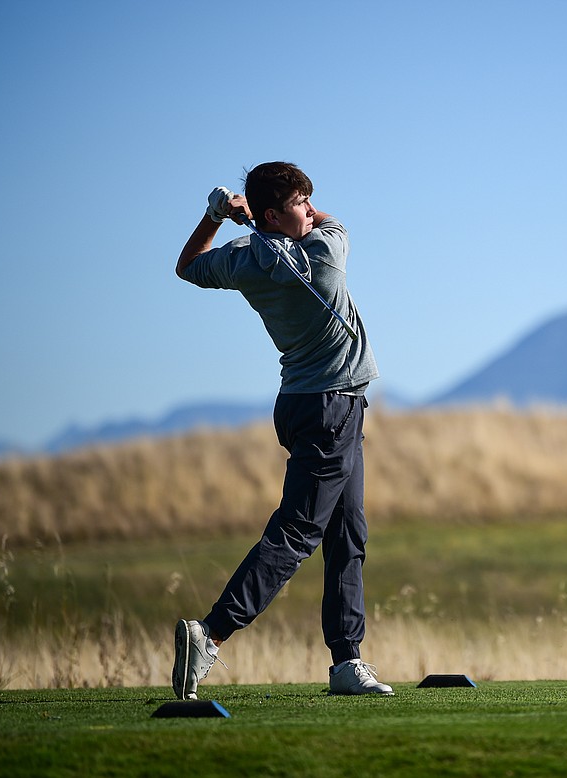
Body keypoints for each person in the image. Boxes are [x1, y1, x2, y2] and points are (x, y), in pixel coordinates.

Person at [171, 161, 392, 697]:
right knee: (298, 531)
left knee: (347, 533)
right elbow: (330, 224)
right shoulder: (326, 252)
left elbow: (188, 265)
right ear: (275, 213)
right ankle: (212, 633)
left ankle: (346, 661)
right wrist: (253, 218)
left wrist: (218, 216)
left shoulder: (245, 261)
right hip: (332, 409)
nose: (312, 210)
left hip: (300, 403)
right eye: (301, 202)